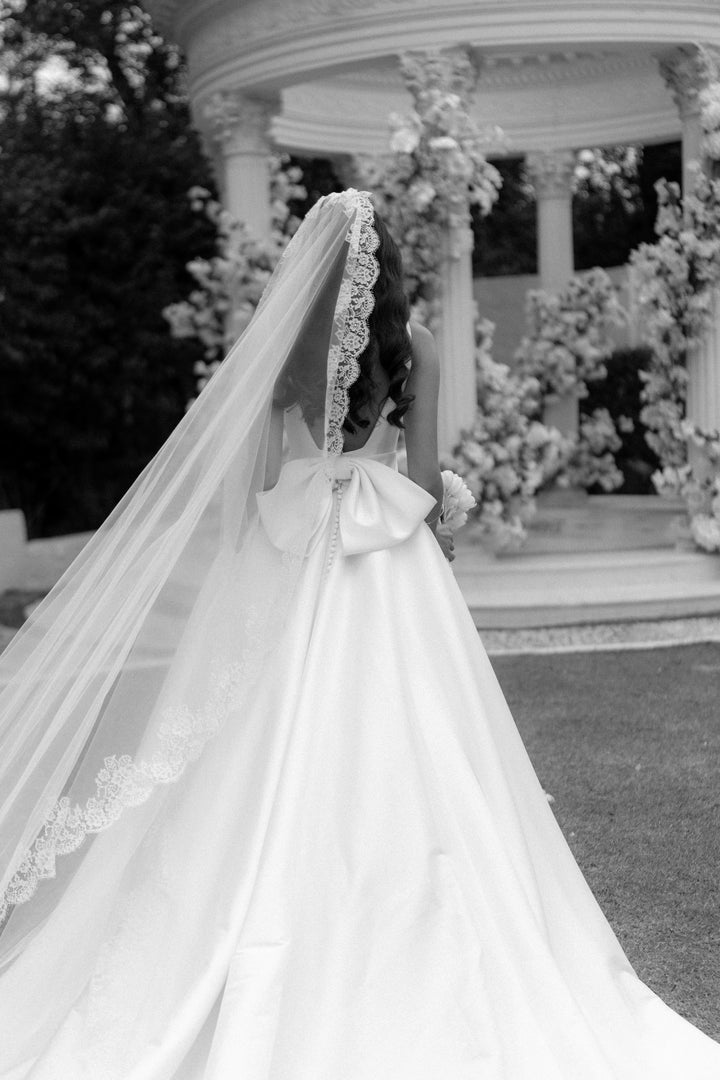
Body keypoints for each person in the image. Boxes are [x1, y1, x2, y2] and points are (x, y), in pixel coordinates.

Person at [0, 189, 718, 1079]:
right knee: (416, 729)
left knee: (256, 738)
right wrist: (441, 514)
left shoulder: (286, 355)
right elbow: (422, 475)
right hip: (386, 559)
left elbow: (259, 478)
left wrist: (276, 528)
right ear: (387, 270)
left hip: (293, 545)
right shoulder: (409, 348)